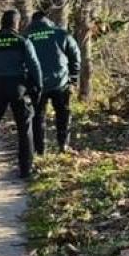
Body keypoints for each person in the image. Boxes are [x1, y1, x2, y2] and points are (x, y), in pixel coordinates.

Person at [0, 10, 41, 180]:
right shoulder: (22, 41)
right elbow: (34, 66)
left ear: (2, 23)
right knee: (24, 128)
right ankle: (26, 169)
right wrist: (38, 88)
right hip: (18, 87)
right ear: (17, 24)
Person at [23, 8, 83, 155]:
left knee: (38, 116)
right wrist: (73, 78)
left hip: (37, 84)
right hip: (60, 82)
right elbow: (75, 56)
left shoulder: (26, 36)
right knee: (63, 114)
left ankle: (39, 149)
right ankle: (63, 144)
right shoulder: (61, 33)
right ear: (47, 20)